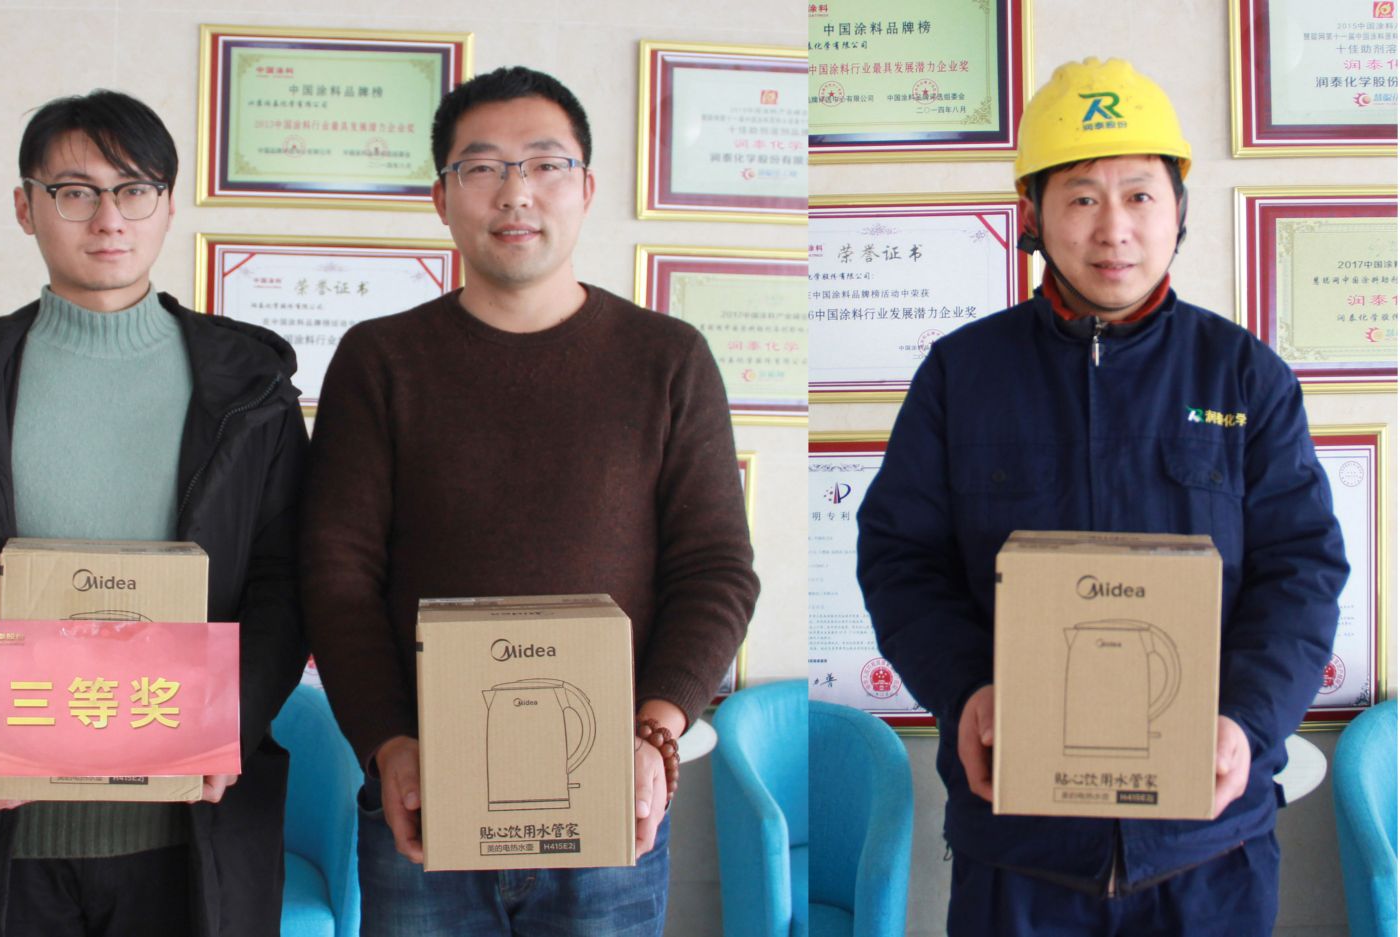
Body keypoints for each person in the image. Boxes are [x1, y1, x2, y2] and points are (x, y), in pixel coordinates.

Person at [856, 58, 1347, 936]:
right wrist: (967, 688)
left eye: (1139, 195)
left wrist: (1247, 719)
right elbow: (901, 558)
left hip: (1208, 851)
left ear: (1179, 210)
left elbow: (1302, 571)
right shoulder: (962, 375)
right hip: (1019, 847)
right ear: (1033, 214)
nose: (1113, 228)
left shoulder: (1244, 375)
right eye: (1081, 197)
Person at [300, 66, 759, 936]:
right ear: (442, 198)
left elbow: (717, 570)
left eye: (546, 165)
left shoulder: (667, 358)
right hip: (424, 794)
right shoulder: (380, 360)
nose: (516, 192)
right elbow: (337, 573)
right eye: (482, 167)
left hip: (612, 799)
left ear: (587, 189)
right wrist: (389, 743)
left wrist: (655, 734)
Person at [0, 89, 308, 937]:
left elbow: (287, 579)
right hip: (1, 835)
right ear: (25, 207)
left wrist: (232, 725)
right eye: (75, 191)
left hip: (190, 833)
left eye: (134, 188)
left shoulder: (250, 388)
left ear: (168, 205)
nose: (108, 217)